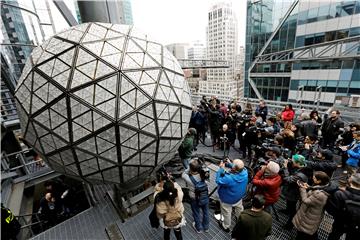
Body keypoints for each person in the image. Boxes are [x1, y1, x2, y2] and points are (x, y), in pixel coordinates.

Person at [292, 171, 330, 240]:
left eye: (314, 178)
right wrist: (309, 187)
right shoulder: (323, 187)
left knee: (304, 233)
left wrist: (302, 189)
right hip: (310, 213)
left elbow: (306, 200)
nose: (313, 179)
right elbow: (314, 190)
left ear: (319, 181)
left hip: (309, 216)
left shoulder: (319, 194)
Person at [215, 159, 248, 232]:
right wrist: (229, 164)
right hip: (239, 197)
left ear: (234, 169)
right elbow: (238, 169)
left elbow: (218, 181)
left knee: (226, 212)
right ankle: (240, 219)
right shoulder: (245, 172)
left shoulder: (229, 179)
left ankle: (226, 226)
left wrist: (221, 169)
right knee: (239, 208)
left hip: (227, 200)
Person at [328, 173, 360, 240]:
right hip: (355, 225)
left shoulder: (339, 194)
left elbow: (331, 211)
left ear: (350, 181)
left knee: (334, 236)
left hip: (339, 223)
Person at [181, 159, 209, 233]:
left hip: (194, 198)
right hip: (205, 196)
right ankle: (206, 227)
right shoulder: (205, 175)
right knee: (206, 212)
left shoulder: (188, 178)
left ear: (190, 168)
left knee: (196, 213)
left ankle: (199, 228)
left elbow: (183, 173)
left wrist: (189, 168)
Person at [281, 154, 309, 229]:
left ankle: (290, 224)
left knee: (292, 208)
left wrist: (285, 167)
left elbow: (287, 179)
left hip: (293, 193)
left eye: (293, 161)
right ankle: (287, 210)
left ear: (297, 163)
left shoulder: (300, 175)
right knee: (289, 205)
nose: (291, 162)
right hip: (291, 190)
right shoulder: (301, 166)